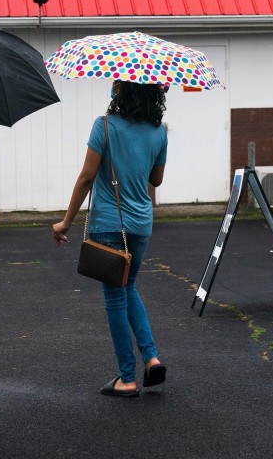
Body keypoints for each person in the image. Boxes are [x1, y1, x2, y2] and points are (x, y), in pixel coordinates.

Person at [53, 80, 169, 397]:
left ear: (122, 91)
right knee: (128, 287)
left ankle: (127, 377)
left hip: (108, 224)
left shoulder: (103, 126)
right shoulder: (160, 132)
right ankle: (152, 357)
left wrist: (66, 222)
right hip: (141, 225)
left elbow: (87, 177)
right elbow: (155, 179)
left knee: (116, 297)